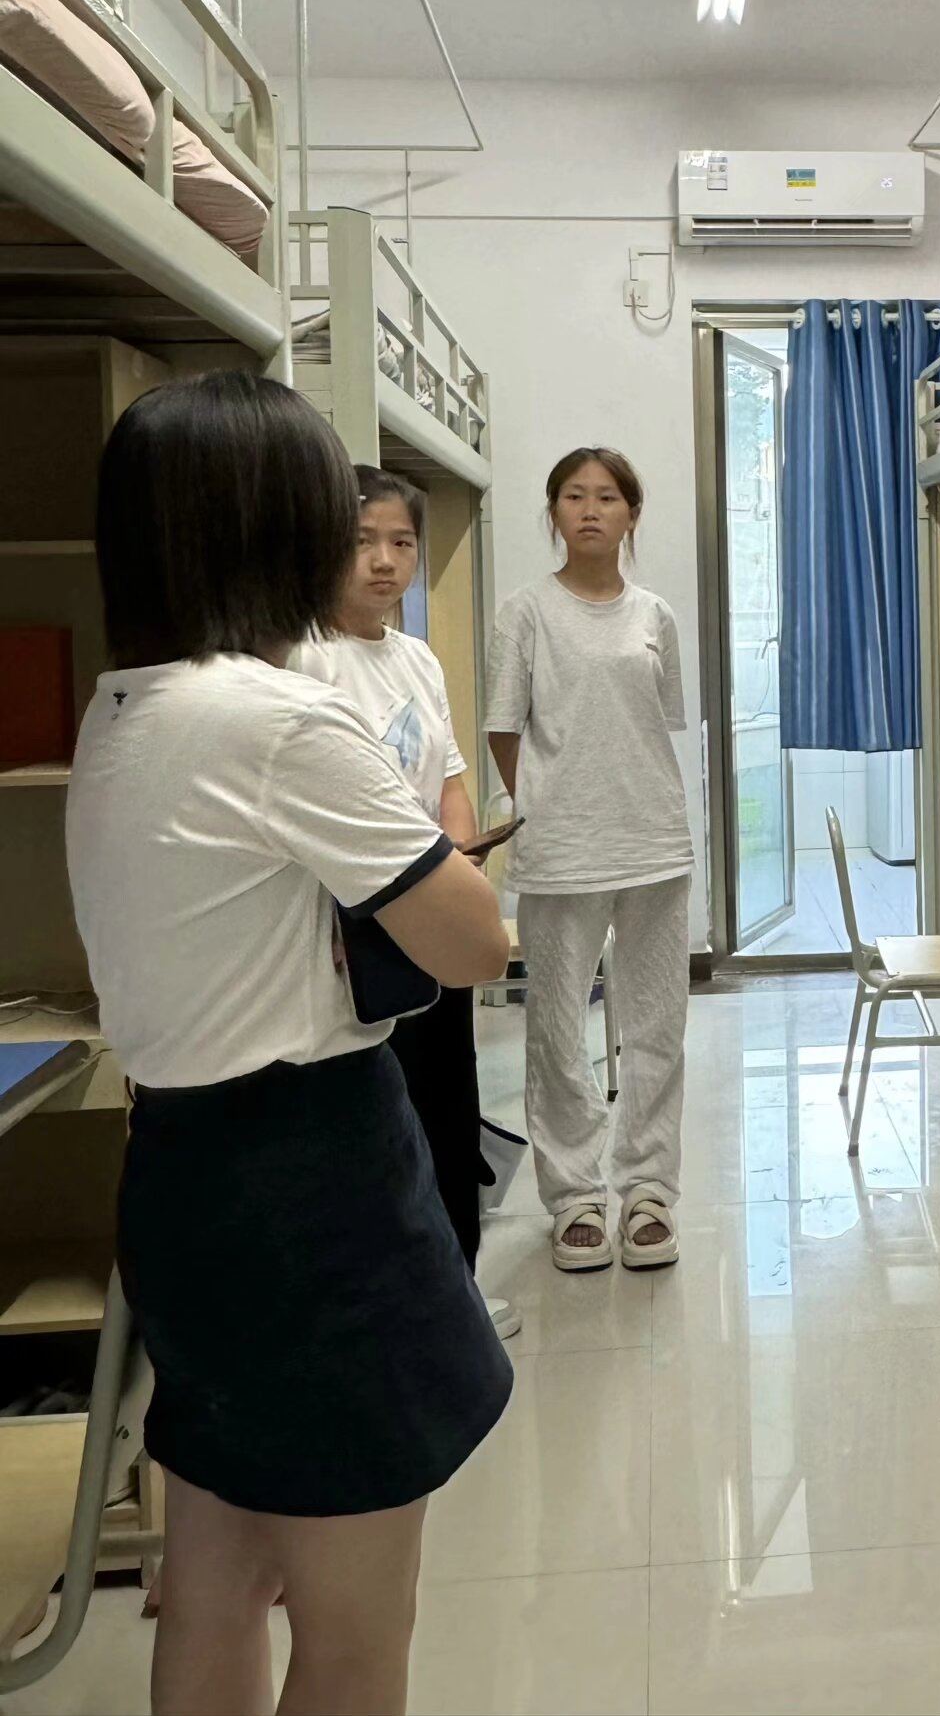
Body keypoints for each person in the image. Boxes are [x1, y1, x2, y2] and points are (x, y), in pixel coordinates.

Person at [65, 373, 512, 1716]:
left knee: (215, 1580)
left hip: (181, 1172)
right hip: (310, 1191)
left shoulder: (122, 706)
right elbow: (475, 943)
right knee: (355, 1627)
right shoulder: (277, 721)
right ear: (273, 531)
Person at [294, 466, 518, 1341]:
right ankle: (392, 1314)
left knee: (445, 1107)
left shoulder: (416, 657)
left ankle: (457, 1292)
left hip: (429, 916)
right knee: (375, 1122)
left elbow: (450, 778)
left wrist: (462, 872)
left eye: (401, 542)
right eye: (362, 542)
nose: (384, 561)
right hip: (351, 935)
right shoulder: (300, 658)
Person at [484, 448, 693, 1273]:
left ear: (632, 514)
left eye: (608, 497)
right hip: (561, 849)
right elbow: (504, 726)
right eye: (574, 495)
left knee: (657, 1026)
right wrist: (543, 801)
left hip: (653, 840)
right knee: (557, 1029)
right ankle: (575, 1193)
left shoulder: (655, 614)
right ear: (554, 512)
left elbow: (656, 723)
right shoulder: (525, 611)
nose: (591, 509)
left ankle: (648, 1189)